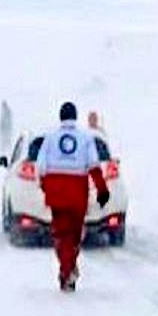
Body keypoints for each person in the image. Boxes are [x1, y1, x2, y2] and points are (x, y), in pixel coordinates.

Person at [38, 102, 110, 291]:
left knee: (61, 235)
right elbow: (94, 165)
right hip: (78, 193)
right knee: (75, 235)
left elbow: (41, 167)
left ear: (61, 117)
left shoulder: (50, 138)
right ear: (75, 117)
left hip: (56, 193)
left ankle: (66, 270)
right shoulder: (85, 138)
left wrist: (46, 186)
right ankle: (68, 270)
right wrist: (102, 190)